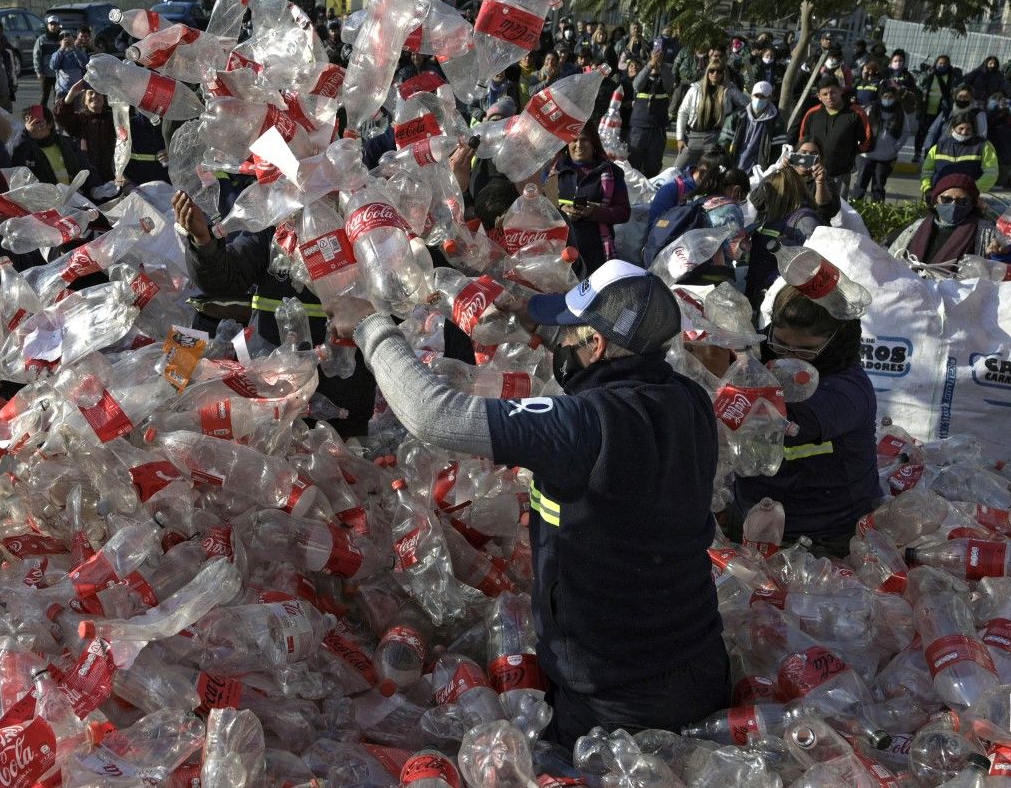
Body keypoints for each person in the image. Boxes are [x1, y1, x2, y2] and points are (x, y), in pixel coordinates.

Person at [353, 260, 726, 744]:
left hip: (616, 700)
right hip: (697, 665)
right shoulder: (688, 399)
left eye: (572, 333)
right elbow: (601, 362)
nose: (562, 343)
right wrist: (528, 315)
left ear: (595, 345)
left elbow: (434, 416)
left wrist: (372, 328)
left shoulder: (585, 424)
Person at [721, 286, 877, 557]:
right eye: (781, 344)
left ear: (836, 342)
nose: (788, 359)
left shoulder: (847, 391)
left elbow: (776, 424)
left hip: (826, 537)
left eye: (806, 351)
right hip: (754, 519)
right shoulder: (763, 356)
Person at [744, 164, 836, 308]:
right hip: (760, 293)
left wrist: (787, 245)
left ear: (781, 194)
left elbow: (817, 261)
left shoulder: (804, 220)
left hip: (784, 300)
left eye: (770, 191)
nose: (766, 196)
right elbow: (755, 199)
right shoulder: (773, 215)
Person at [552, 134, 629, 274]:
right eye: (574, 140)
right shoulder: (554, 171)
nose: (579, 145)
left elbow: (623, 213)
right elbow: (542, 204)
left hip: (595, 253)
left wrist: (595, 212)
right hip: (559, 250)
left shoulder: (612, 172)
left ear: (594, 143)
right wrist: (561, 209)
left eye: (584, 139)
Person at [891, 172, 991, 271]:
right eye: (946, 199)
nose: (953, 205)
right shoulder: (917, 227)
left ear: (972, 204)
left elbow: (997, 269)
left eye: (962, 201)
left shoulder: (985, 232)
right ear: (935, 202)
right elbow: (890, 259)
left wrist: (999, 256)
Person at [796, 75, 871, 188]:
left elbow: (867, 140)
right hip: (812, 174)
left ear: (840, 91)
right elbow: (802, 139)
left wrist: (848, 153)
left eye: (833, 92)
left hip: (841, 174)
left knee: (837, 205)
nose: (829, 97)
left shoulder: (856, 113)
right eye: (825, 94)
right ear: (819, 96)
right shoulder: (812, 113)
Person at [8, 104, 95, 187]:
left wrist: (94, 187)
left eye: (38, 122)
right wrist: (27, 135)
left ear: (50, 124)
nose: (34, 126)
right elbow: (16, 166)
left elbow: (85, 168)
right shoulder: (24, 147)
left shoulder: (67, 143)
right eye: (28, 121)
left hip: (73, 197)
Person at [918, 108, 999, 196]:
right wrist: (927, 189)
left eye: (968, 129)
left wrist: (972, 189)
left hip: (968, 197)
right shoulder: (939, 146)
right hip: (940, 196)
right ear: (953, 127)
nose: (964, 132)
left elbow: (991, 173)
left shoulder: (983, 146)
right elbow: (927, 171)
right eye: (961, 128)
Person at [851, 80, 907, 202]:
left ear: (895, 98)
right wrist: (860, 145)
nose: (888, 99)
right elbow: (859, 127)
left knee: (878, 186)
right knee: (860, 184)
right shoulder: (870, 109)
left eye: (891, 97)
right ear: (880, 97)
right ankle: (854, 207)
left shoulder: (900, 113)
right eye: (885, 96)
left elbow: (905, 133)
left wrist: (895, 148)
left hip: (886, 157)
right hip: (866, 155)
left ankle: (876, 211)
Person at [56, 80, 117, 184]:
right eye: (90, 93)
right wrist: (72, 92)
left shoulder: (113, 118)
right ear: (84, 100)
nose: (94, 96)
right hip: (87, 177)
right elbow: (61, 114)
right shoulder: (79, 119)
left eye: (98, 93)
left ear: (104, 99)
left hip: (111, 176)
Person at [625, 48, 673, 177]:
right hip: (639, 129)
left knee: (653, 167)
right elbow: (636, 85)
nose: (656, 63)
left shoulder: (665, 79)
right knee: (633, 165)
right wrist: (651, 63)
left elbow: (669, 83)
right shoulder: (641, 78)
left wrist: (661, 63)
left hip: (658, 130)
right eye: (654, 59)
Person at [721, 80, 786, 173]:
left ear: (769, 98)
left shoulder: (776, 122)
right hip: (734, 167)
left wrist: (770, 171)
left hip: (760, 172)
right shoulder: (737, 116)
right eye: (756, 95)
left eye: (763, 97)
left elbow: (777, 151)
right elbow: (723, 143)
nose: (759, 99)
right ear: (751, 95)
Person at [918, 54, 958, 147]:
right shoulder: (930, 74)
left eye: (945, 63)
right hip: (926, 107)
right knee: (922, 132)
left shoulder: (951, 76)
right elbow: (920, 83)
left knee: (935, 132)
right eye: (940, 63)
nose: (942, 65)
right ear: (936, 63)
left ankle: (929, 152)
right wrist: (926, 73)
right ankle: (918, 152)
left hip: (941, 109)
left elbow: (953, 89)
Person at [50, 27, 92, 100]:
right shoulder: (57, 54)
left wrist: (74, 48)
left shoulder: (79, 52)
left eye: (69, 37)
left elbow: (85, 64)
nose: (66, 40)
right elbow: (53, 66)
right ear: (59, 42)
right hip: (62, 91)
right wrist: (62, 48)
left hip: (77, 90)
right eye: (62, 38)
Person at [34, 15, 65, 108]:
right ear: (47, 26)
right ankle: (42, 118)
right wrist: (38, 71)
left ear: (58, 25)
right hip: (45, 74)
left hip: (59, 75)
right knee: (44, 98)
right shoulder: (41, 40)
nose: (53, 26)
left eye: (55, 24)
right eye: (51, 24)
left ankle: (57, 117)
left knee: (58, 98)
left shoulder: (62, 39)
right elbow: (36, 56)